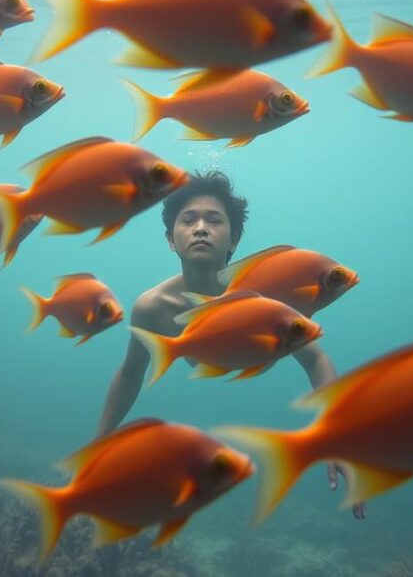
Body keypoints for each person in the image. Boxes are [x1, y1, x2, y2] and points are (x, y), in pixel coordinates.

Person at [95, 171, 366, 519]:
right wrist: (99, 443)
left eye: (214, 220)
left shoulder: (265, 298)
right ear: (171, 240)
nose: (201, 228)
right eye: (188, 220)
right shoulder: (153, 308)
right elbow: (131, 372)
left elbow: (316, 360)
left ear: (234, 239)